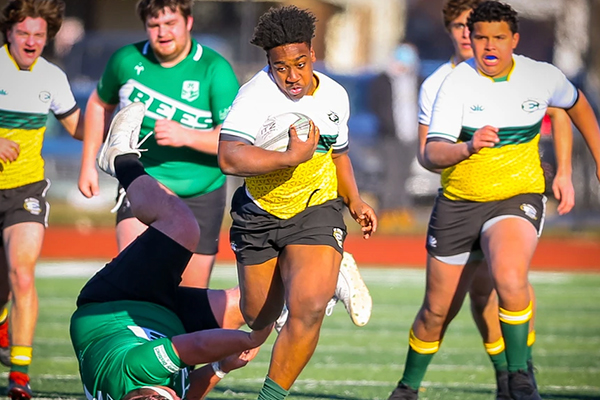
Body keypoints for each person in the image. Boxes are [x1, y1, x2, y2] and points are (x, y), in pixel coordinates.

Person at [390, 2, 600, 400]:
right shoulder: (449, 84)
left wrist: (584, 165)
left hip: (515, 197)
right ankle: (407, 387)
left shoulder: (540, 76)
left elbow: (573, 107)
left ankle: (519, 377)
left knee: (508, 277)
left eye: (496, 37)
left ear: (514, 40)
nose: (482, 43)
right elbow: (430, 154)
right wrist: (468, 147)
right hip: (459, 204)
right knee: (437, 312)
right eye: (474, 33)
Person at [217, 6, 377, 399]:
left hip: (316, 210)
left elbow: (339, 155)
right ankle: (323, 278)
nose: (292, 76)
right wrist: (288, 157)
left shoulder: (335, 95)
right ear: (269, 65)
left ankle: (271, 396)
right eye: (280, 67)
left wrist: (354, 200)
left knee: (308, 307)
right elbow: (228, 157)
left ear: (313, 55)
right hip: (259, 214)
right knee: (258, 316)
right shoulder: (253, 96)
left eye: (300, 63)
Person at [70, 102, 272, 400]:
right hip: (164, 322)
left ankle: (120, 159)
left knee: (181, 225)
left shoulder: (134, 371)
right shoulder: (156, 392)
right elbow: (188, 391)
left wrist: (248, 340)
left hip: (116, 304)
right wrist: (219, 369)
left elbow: (199, 346)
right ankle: (315, 270)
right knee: (253, 305)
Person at [78, 0, 239, 288]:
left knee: (190, 299)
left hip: (201, 191)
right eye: (154, 25)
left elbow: (232, 139)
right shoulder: (126, 60)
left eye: (170, 23)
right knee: (133, 281)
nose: (162, 32)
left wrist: (186, 135)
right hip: (143, 182)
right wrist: (88, 164)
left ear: (188, 22)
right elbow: (98, 104)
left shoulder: (215, 69)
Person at [0, 0, 81, 398]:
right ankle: (2, 318)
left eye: (39, 34)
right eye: (23, 33)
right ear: (8, 33)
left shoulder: (54, 77)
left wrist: (119, 115)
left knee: (23, 274)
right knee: (3, 286)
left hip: (26, 191)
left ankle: (19, 376)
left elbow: (79, 127)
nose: (31, 41)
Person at [369, 43, 420, 231]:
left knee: (405, 174)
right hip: (390, 135)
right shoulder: (382, 81)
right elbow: (378, 106)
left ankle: (403, 209)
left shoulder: (416, 80)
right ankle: (388, 211)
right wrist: (388, 124)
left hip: (411, 134)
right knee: (391, 174)